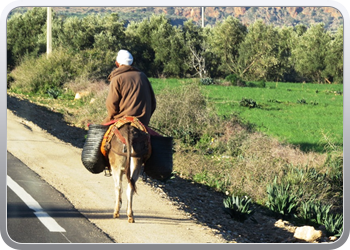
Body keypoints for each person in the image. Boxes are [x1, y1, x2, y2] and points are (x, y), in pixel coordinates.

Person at [103, 50, 156, 127]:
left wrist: (111, 118)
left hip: (122, 120)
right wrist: (145, 119)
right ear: (133, 64)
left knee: (97, 134)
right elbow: (153, 103)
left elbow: (111, 105)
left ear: (117, 64)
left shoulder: (117, 79)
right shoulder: (143, 76)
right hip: (142, 121)